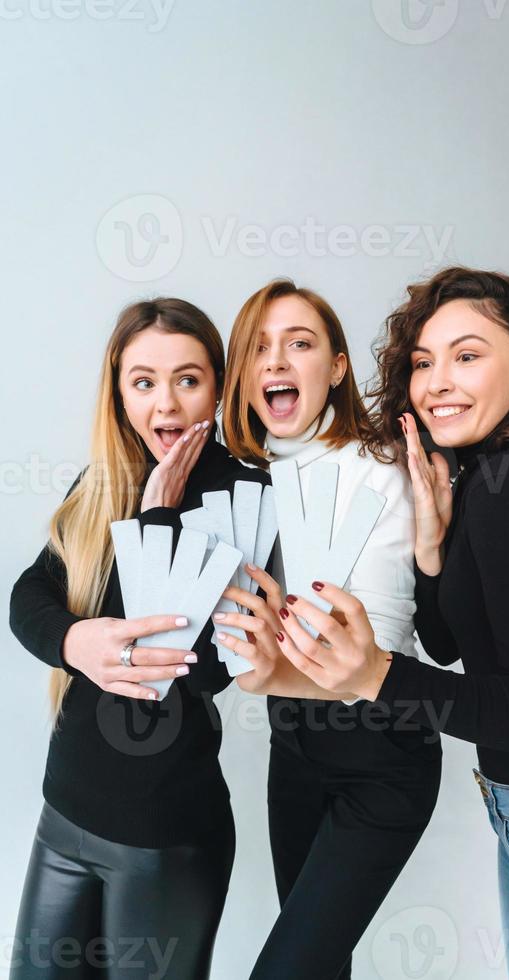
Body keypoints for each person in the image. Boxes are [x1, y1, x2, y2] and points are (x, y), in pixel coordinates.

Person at [277, 267, 509, 979]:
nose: (438, 381)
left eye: (469, 355)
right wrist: (430, 547)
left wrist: (376, 676)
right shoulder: (491, 478)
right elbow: (454, 648)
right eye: (423, 362)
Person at [8, 298, 269, 980]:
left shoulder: (243, 495)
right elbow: (27, 599)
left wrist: (158, 514)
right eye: (143, 381)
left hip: (164, 837)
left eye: (188, 379)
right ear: (118, 389)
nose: (167, 405)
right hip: (63, 815)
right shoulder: (104, 482)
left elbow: (205, 666)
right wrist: (77, 645)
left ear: (219, 383)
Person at [217, 279, 441, 980]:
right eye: (259, 348)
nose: (276, 360)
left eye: (300, 343)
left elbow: (372, 658)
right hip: (296, 756)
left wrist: (263, 675)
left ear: (337, 368)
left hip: (381, 757)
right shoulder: (253, 479)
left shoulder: (379, 469)